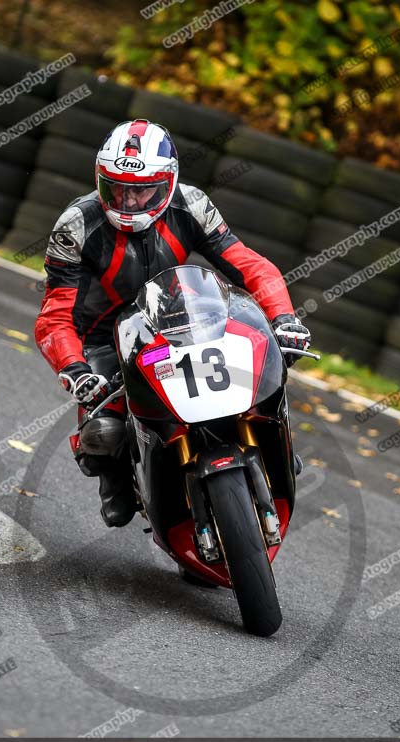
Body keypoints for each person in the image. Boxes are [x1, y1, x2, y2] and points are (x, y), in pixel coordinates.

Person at [34, 119, 311, 528]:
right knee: (102, 438)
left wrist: (285, 318)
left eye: (141, 188)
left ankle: (273, 443)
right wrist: (74, 368)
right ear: (100, 179)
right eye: (117, 188)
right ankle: (122, 479)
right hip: (106, 338)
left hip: (182, 319)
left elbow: (250, 266)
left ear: (168, 181)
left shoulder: (191, 205)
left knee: (262, 366)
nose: (128, 201)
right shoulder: (76, 225)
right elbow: (56, 314)